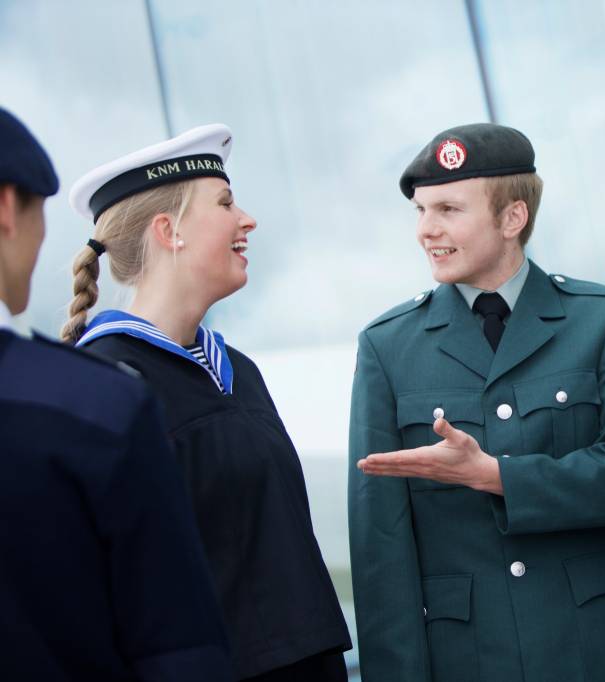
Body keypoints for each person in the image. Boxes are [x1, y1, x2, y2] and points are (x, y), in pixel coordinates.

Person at [348, 123, 605, 681]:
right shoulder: (387, 346)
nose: (427, 230)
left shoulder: (603, 319)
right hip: (468, 661)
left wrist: (498, 475)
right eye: (421, 211)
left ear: (511, 218)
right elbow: (381, 547)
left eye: (448, 209)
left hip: (599, 653)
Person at [64, 124, 351, 681]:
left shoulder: (238, 370)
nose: (247, 219)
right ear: (169, 231)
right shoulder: (104, 384)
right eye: (225, 203)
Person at [0, 109, 233, 680]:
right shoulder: (94, 405)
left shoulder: (229, 372)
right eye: (225, 204)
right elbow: (177, 649)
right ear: (8, 208)